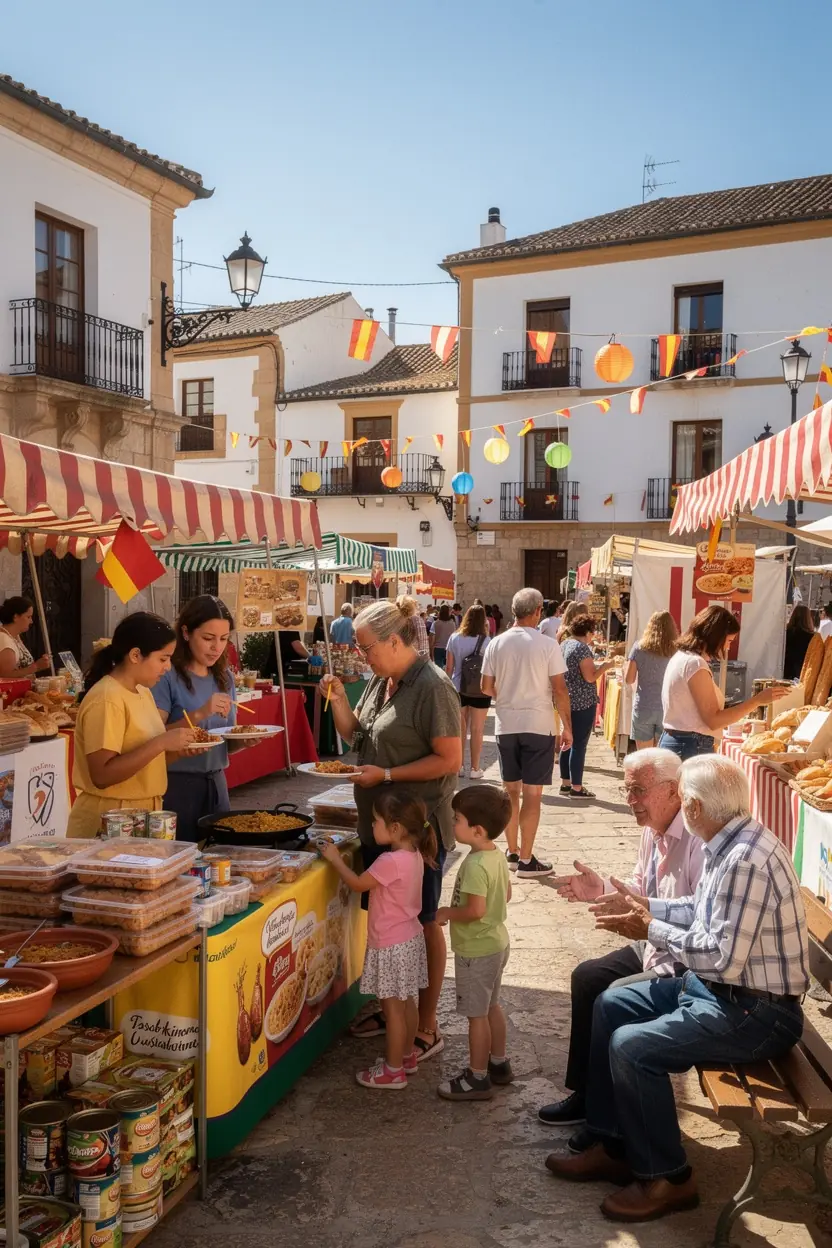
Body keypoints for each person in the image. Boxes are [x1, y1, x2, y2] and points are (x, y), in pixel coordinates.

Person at [546, 755, 809, 1224]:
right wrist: (642, 906)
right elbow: (696, 909)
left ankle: (669, 1176)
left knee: (632, 1047)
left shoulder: (744, 858)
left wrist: (650, 928)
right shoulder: (726, 841)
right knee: (610, 1002)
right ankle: (614, 1143)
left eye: (682, 797)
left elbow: (722, 958)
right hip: (723, 992)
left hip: (756, 1013)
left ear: (693, 805)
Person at [322, 599, 461, 1062]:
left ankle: (426, 1023)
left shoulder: (433, 686)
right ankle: (394, 1009)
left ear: (395, 641)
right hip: (381, 826)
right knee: (393, 922)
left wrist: (385, 776)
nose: (362, 656)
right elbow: (357, 736)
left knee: (422, 922)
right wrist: (339, 700)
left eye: (366, 648)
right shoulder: (382, 681)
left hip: (418, 831)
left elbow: (449, 760)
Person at [539, 748, 705, 1128]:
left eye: (638, 790)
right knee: (587, 977)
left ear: (673, 791)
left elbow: (699, 917)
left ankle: (608, 1124)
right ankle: (586, 1096)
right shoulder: (652, 830)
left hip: (685, 957)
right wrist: (600, 889)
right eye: (626, 790)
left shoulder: (698, 838)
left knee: (612, 1000)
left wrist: (647, 922)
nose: (630, 800)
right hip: (656, 944)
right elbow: (640, 888)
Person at [320, 791, 433, 1089]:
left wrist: (335, 859)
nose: (372, 826)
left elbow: (358, 884)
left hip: (390, 944)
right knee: (406, 1003)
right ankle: (406, 1057)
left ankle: (392, 1071)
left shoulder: (389, 861)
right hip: (409, 938)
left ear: (395, 828)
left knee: (392, 1011)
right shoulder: (414, 855)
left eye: (376, 821)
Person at [66, 613, 194, 838]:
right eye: (163, 659)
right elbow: (102, 775)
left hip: (145, 814)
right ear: (135, 655)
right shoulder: (107, 698)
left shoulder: (143, 691)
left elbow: (146, 761)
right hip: (111, 817)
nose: (167, 667)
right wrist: (161, 743)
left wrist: (178, 750)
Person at [481, 587, 572, 878]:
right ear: (537, 612)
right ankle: (527, 859)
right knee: (533, 794)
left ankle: (512, 851)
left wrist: (506, 697)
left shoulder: (497, 643)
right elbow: (560, 689)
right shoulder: (547, 644)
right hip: (538, 724)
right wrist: (567, 727)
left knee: (511, 792)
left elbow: (485, 687)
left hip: (507, 724)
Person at [436, 785, 514, 1101]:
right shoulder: (496, 855)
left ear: (477, 830)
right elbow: (506, 894)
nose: (453, 823)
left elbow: (475, 910)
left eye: (457, 819)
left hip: (476, 951)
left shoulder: (474, 865)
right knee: (492, 1005)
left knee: (476, 1015)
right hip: (497, 943)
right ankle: (499, 1063)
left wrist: (446, 912)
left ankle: (477, 1077)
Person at [152, 595, 238, 843]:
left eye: (223, 639)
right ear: (186, 633)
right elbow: (154, 737)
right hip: (177, 784)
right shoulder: (166, 675)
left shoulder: (225, 677)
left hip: (216, 782)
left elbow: (226, 739)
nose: (216, 647)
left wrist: (245, 740)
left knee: (219, 854)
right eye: (208, 638)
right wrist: (200, 713)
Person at [659, 605, 787, 761]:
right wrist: (757, 701)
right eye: (728, 641)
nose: (728, 647)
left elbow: (693, 713)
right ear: (716, 637)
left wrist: (734, 721)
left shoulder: (681, 657)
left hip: (681, 742)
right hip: (690, 746)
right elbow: (713, 720)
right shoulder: (695, 663)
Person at [559, 614, 616, 799]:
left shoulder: (565, 644)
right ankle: (576, 787)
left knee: (568, 742)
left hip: (567, 700)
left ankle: (566, 783)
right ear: (588, 632)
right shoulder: (582, 649)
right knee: (578, 745)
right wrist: (605, 666)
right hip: (582, 702)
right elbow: (590, 677)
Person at [446, 605, 491, 780]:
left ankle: (459, 766)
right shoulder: (487, 641)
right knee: (477, 729)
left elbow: (449, 667)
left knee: (460, 729)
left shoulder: (455, 638)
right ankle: (475, 768)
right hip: (480, 689)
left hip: (458, 687)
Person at [624, 611, 678, 750]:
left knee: (644, 757)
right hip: (667, 708)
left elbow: (629, 679)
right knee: (662, 757)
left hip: (644, 706)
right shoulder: (676, 650)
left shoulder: (639, 647)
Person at [0, 596, 51, 678]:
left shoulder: (15, 636)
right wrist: (37, 666)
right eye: (28, 617)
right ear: (15, 617)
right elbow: (5, 676)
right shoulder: (4, 640)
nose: (31, 621)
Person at [784, 603, 815, 680]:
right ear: (808, 618)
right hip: (803, 672)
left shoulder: (785, 633)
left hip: (785, 670)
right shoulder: (812, 637)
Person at [431, 604, 456, 669]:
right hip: (449, 648)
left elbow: (431, 638)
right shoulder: (453, 624)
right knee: (448, 668)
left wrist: (431, 650)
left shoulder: (435, 623)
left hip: (437, 649)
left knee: (438, 669)